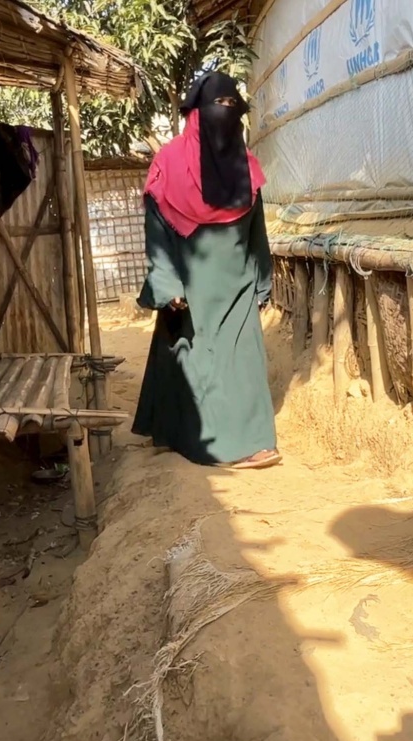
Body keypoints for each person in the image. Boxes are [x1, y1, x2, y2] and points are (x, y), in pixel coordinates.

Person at [131, 72, 281, 469]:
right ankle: (203, 440)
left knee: (242, 361)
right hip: (190, 283)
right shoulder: (169, 163)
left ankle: (248, 443)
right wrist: (166, 282)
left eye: (233, 107)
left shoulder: (248, 168)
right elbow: (156, 228)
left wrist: (262, 280)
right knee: (189, 360)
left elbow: (258, 232)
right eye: (217, 106)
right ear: (196, 114)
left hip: (237, 281)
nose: (224, 114)